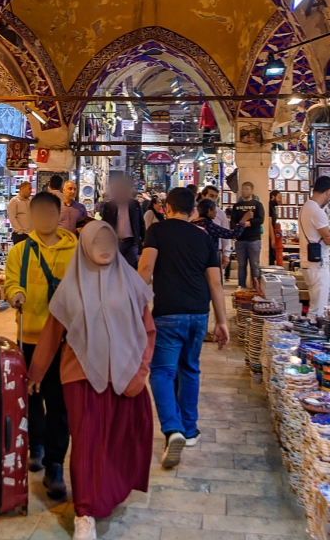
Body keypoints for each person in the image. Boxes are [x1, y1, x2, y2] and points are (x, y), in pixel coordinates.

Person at [27, 221, 155, 540]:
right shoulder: (71, 288)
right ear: (84, 244)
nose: (103, 246)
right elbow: (51, 334)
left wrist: (140, 373)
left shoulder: (130, 284)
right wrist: (35, 374)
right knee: (87, 443)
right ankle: (84, 512)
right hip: (80, 376)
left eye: (108, 240)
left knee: (117, 441)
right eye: (95, 240)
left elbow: (148, 332)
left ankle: (106, 495)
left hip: (124, 378)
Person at [138, 187, 228, 469]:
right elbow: (215, 283)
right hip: (198, 314)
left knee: (162, 372)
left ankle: (172, 428)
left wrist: (133, 307)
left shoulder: (157, 232)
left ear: (166, 207)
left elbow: (145, 270)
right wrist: (222, 321)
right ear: (193, 211)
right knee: (190, 369)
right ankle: (189, 430)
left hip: (168, 313)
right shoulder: (204, 238)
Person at [4, 192, 77, 497]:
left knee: (59, 404)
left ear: (59, 214)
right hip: (31, 337)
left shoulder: (76, 250)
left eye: (52, 213)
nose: (46, 219)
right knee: (30, 399)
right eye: (40, 214)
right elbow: (10, 282)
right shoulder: (20, 251)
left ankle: (56, 464)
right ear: (32, 217)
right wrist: (16, 293)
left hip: (65, 341)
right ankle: (36, 447)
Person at [299, 176, 330, 318]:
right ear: (328, 191)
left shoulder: (306, 207)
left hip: (313, 264)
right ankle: (313, 337)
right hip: (317, 265)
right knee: (317, 309)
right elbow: (328, 238)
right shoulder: (317, 211)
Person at [101, 175, 145, 268]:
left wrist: (143, 240)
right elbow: (104, 224)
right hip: (115, 242)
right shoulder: (109, 206)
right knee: (115, 267)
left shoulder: (134, 205)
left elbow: (141, 223)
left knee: (130, 267)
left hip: (131, 242)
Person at [230, 182, 265, 289]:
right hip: (240, 239)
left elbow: (260, 219)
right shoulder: (236, 206)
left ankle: (256, 287)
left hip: (253, 239)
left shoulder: (257, 204)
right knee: (241, 265)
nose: (244, 191)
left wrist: (248, 223)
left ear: (252, 190)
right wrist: (237, 228)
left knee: (254, 265)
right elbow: (233, 222)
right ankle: (241, 286)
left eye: (247, 189)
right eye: (243, 189)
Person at [198, 185, 233, 276]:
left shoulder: (220, 213)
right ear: (203, 196)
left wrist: (226, 254)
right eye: (211, 196)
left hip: (216, 251)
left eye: (215, 196)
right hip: (199, 252)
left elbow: (225, 234)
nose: (214, 199)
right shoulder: (194, 212)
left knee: (215, 278)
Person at [8, 180, 32, 244]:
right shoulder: (14, 201)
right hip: (20, 235)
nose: (31, 191)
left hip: (31, 235)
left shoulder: (31, 201)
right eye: (29, 189)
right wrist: (20, 231)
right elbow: (12, 218)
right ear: (22, 189)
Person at [268, 189, 283, 267]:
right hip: (269, 237)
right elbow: (269, 223)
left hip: (272, 235)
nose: (280, 200)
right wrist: (273, 239)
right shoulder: (269, 207)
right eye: (279, 198)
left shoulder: (273, 207)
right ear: (272, 197)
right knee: (270, 257)